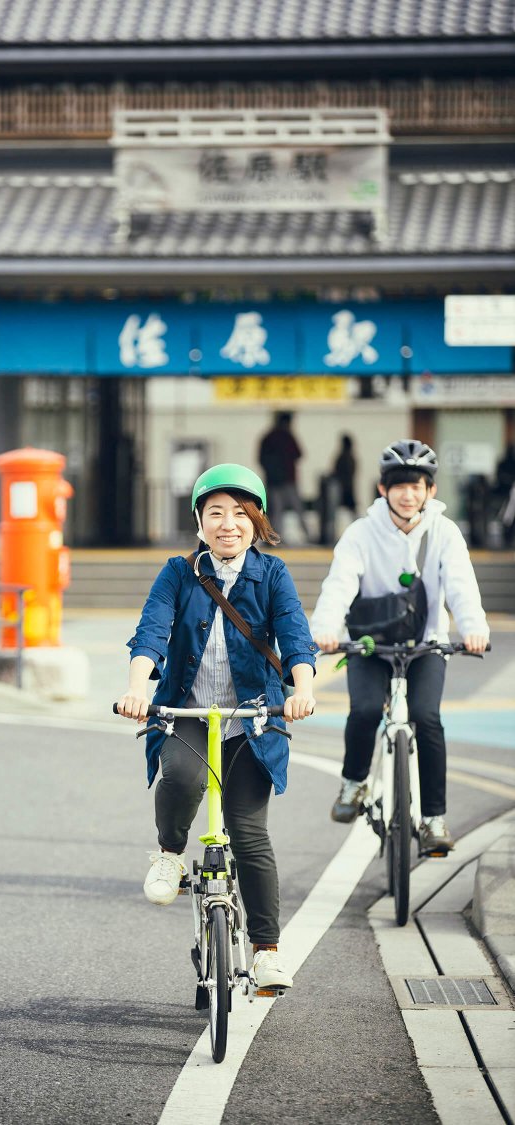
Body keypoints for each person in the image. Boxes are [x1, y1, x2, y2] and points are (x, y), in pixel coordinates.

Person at [116, 463, 317, 991]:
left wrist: (304, 690)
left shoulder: (271, 574)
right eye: (215, 514)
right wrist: (138, 688)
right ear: (199, 523)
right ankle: (168, 855)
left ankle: (267, 951)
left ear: (256, 520)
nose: (228, 524)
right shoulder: (179, 573)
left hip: (252, 720)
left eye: (239, 514)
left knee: (250, 835)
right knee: (180, 777)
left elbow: (296, 632)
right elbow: (151, 632)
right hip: (187, 713)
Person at [310, 439, 490, 854]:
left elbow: (461, 585)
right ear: (382, 489)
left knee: (427, 720)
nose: (408, 494)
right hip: (370, 645)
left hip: (427, 644)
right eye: (399, 485)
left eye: (418, 485)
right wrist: (325, 628)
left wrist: (473, 627)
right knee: (366, 711)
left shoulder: (445, 532)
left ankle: (433, 820)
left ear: (431, 491)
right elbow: (339, 584)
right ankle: (354, 784)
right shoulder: (360, 533)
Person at [257, 411, 311, 543]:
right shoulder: (287, 436)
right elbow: (299, 454)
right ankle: (308, 535)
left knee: (277, 511)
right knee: (298, 510)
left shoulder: (268, 437)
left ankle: (275, 538)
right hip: (288, 480)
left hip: (274, 481)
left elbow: (261, 459)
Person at [331, 433, 357, 516]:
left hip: (343, 488)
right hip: (346, 487)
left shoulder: (344, 457)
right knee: (353, 512)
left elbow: (337, 471)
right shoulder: (350, 457)